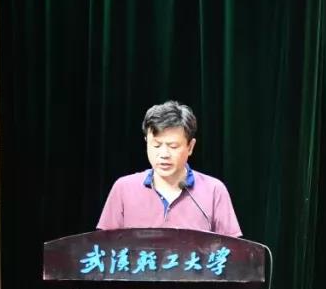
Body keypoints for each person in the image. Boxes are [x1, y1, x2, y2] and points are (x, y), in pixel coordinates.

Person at [96, 100, 242, 237]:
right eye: (156, 145)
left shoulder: (214, 190)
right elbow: (104, 247)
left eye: (173, 146)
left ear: (190, 147)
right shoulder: (123, 188)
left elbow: (233, 250)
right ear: (146, 143)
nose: (164, 154)